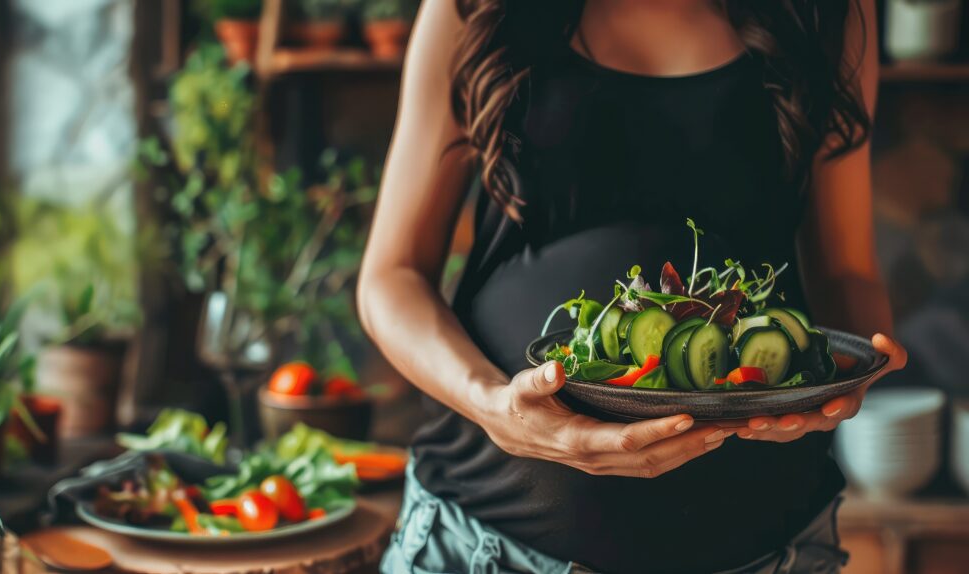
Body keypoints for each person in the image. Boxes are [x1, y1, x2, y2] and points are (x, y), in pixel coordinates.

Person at [357, 1, 908, 572]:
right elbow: (391, 276)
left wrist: (848, 372)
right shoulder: (471, 8)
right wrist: (491, 405)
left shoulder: (827, 12)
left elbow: (847, 271)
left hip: (771, 554)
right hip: (485, 547)